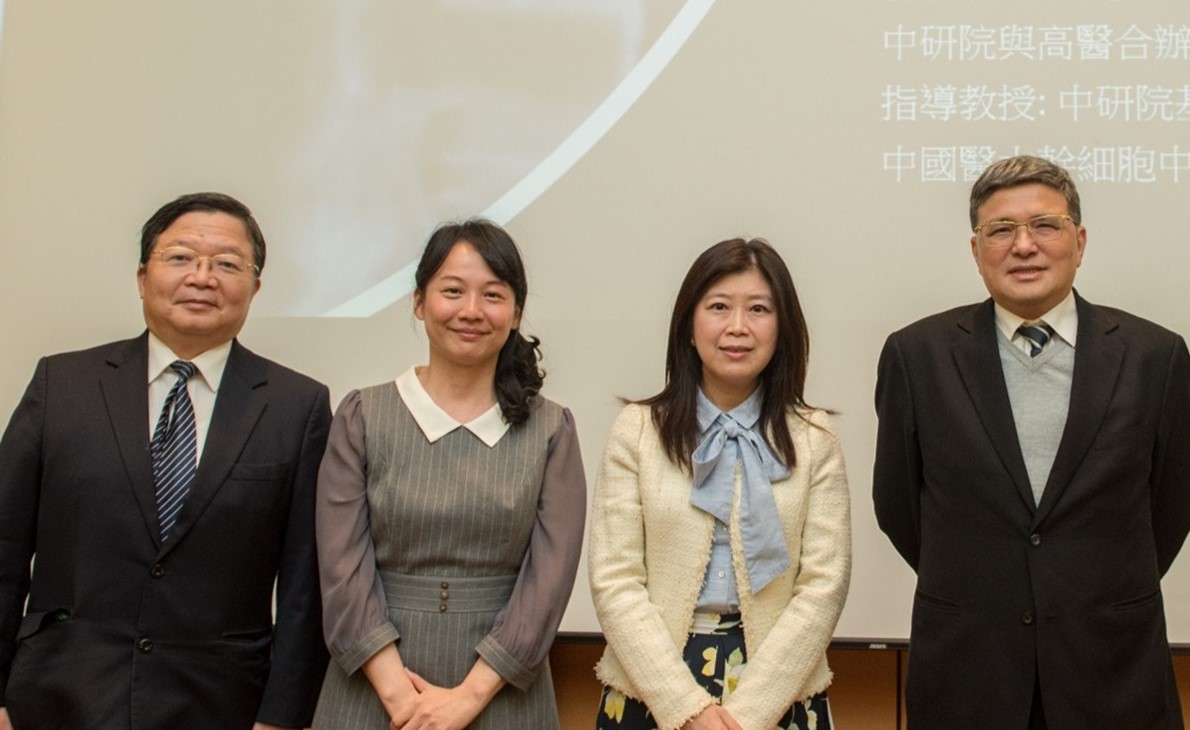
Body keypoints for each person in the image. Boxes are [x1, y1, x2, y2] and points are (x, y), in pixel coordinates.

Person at [873, 155, 1190, 728]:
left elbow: (1171, 506)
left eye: (1045, 225)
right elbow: (898, 504)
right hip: (970, 671)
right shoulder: (917, 356)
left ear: (1079, 239)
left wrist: (1082, 584)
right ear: (976, 250)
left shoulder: (1155, 357)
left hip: (1113, 669)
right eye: (1001, 230)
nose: (1024, 246)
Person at [0, 192, 331, 729]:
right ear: (141, 276)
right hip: (55, 698)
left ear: (255, 287)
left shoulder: (297, 406)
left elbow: (304, 588)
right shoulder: (62, 385)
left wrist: (281, 718)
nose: (202, 277)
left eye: (227, 264)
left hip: (220, 704)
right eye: (180, 258)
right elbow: (4, 547)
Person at [312, 219, 586, 729]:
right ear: (419, 302)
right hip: (371, 688)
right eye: (452, 291)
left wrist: (466, 699)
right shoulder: (363, 415)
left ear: (516, 312)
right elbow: (342, 567)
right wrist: (400, 699)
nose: (471, 311)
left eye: (493, 295)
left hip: (503, 691)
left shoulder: (551, 429)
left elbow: (548, 580)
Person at [589, 238, 852, 730]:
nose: (738, 327)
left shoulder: (814, 437)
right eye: (718, 307)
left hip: (779, 689)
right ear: (689, 327)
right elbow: (615, 580)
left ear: (783, 329)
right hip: (652, 687)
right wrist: (686, 709)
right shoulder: (638, 430)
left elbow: (823, 587)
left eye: (758, 309)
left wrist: (748, 715)